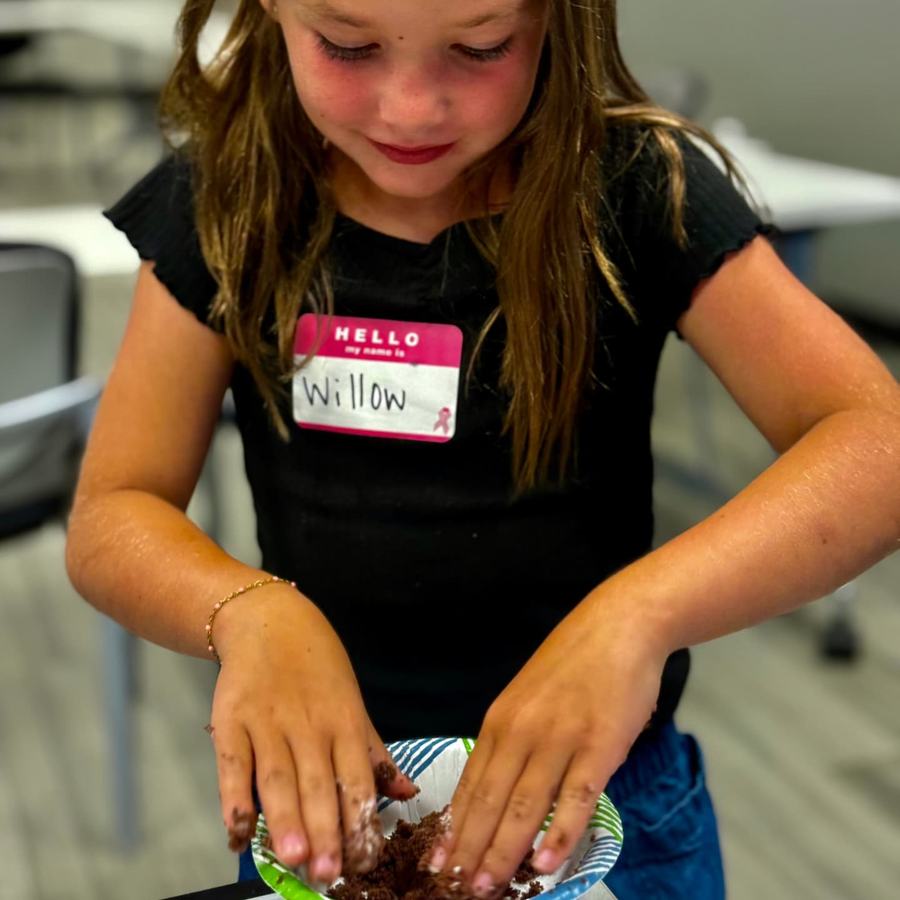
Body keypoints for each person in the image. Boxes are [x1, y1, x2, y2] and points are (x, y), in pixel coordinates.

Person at [65, 0, 900, 897]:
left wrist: (639, 616)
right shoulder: (224, 201)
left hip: (605, 801)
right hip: (329, 804)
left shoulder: (638, 187)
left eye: (481, 46)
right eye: (346, 46)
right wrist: (243, 609)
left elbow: (875, 443)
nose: (411, 108)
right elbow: (116, 508)